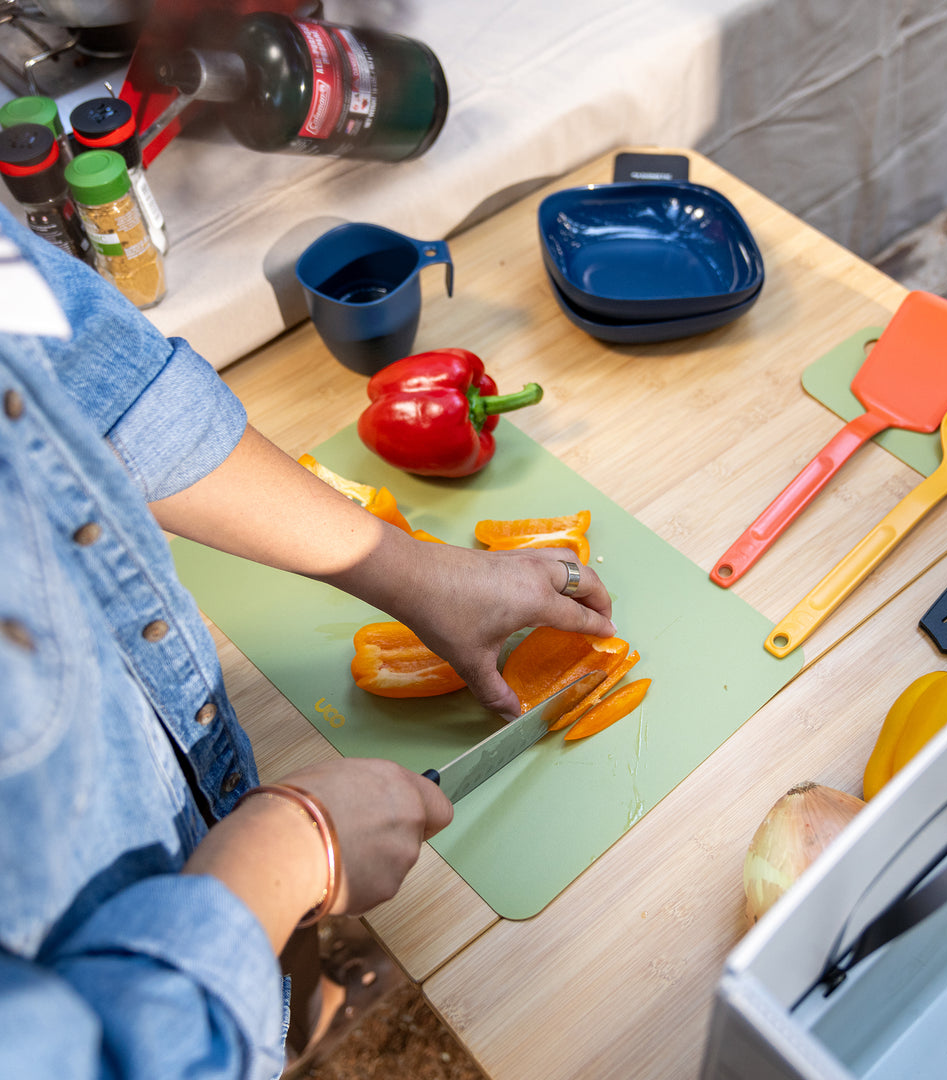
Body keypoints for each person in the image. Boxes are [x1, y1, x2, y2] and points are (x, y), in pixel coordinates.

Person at [0, 200, 615, 1079]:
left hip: (184, 830)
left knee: (275, 990)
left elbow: (108, 389)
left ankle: (288, 1019)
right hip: (134, 963)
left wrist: (411, 570)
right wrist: (286, 852)